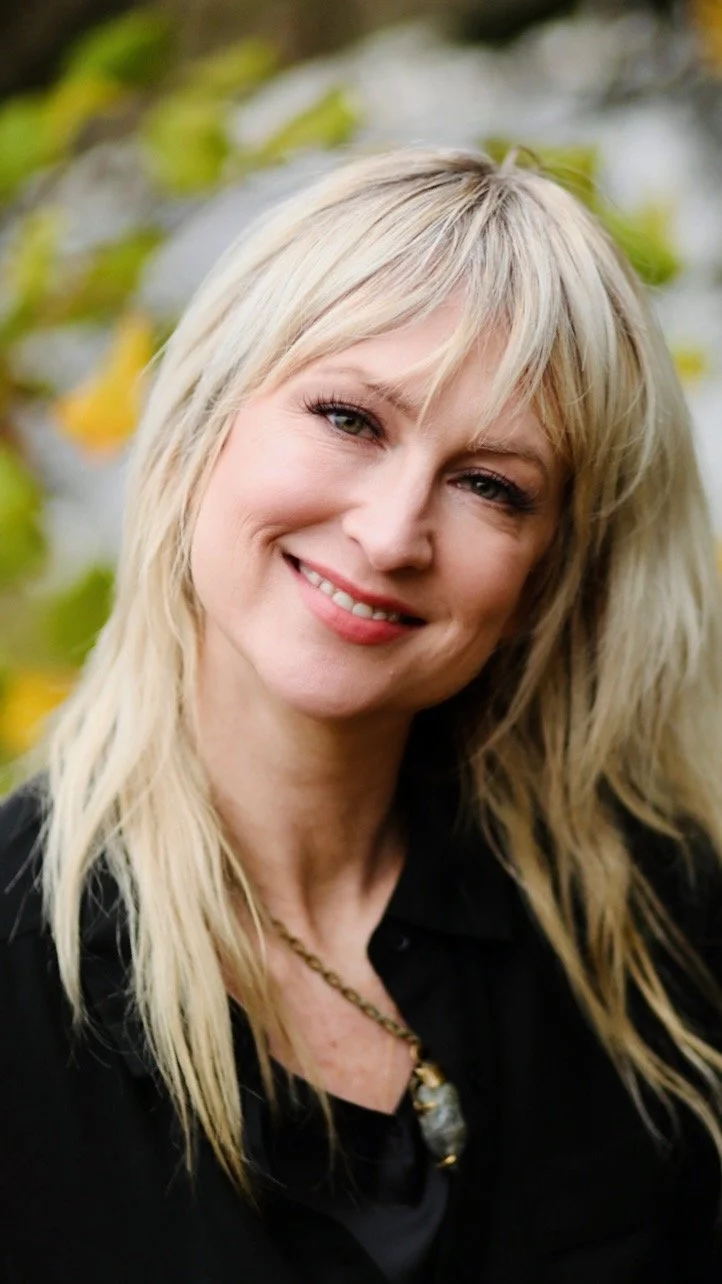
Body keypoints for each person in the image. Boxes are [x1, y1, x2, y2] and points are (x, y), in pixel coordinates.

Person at [1, 146, 721, 1284]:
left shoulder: (651, 935)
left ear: (548, 573)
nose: (391, 534)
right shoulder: (18, 972)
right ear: (203, 426)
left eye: (491, 485)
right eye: (349, 418)